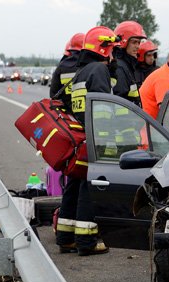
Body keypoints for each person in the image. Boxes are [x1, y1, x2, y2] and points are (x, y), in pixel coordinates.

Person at [58, 26, 120, 256]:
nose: (114, 55)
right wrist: (106, 142)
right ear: (104, 49)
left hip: (82, 136)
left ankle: (66, 237)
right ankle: (86, 242)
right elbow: (103, 109)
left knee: (75, 185)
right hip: (96, 138)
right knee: (89, 188)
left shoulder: (82, 71)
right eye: (113, 50)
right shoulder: (99, 71)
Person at [112, 21, 147, 107]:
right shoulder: (120, 68)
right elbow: (120, 103)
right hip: (125, 119)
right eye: (134, 42)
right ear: (123, 42)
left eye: (139, 42)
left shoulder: (127, 65)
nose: (138, 46)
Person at [49, 32, 84, 110]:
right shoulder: (92, 66)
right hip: (87, 113)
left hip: (67, 113)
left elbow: (53, 94)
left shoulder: (62, 67)